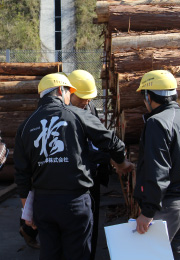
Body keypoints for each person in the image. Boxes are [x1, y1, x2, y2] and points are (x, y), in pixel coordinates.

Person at [14, 73, 134, 260]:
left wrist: (28, 212)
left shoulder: (25, 126)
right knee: (78, 253)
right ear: (62, 91)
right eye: (70, 92)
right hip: (75, 202)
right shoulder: (77, 115)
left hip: (43, 204)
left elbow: (21, 175)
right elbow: (114, 143)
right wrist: (121, 163)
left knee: (50, 254)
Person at [134, 70, 180, 260]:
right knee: (179, 255)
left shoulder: (157, 122)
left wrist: (148, 212)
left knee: (151, 256)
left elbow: (158, 171)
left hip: (167, 206)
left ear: (148, 96)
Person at [68, 70, 111, 260]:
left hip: (91, 175)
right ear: (69, 91)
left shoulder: (89, 107)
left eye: (88, 98)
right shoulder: (59, 113)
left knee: (91, 225)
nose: (86, 102)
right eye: (82, 98)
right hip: (70, 182)